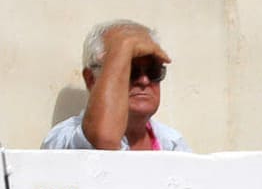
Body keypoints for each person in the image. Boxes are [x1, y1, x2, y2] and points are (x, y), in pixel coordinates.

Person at [42, 21, 189, 152]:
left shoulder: (172, 144)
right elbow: (103, 139)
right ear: (91, 79)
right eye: (130, 70)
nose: (144, 80)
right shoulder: (64, 138)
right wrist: (124, 46)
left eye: (154, 71)